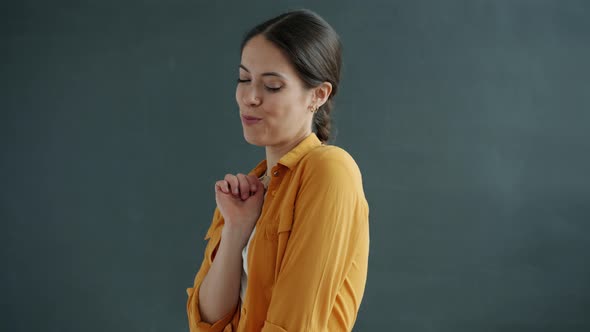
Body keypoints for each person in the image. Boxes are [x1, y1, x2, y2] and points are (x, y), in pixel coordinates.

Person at [186, 9, 369, 332]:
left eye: (271, 86)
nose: (249, 97)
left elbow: (295, 324)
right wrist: (236, 230)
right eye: (244, 79)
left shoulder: (330, 171)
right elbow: (206, 321)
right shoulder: (250, 191)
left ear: (318, 95)